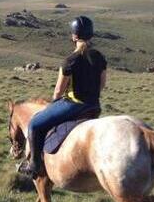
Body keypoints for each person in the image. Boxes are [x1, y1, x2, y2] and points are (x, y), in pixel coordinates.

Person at [17, 15, 107, 178]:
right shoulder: (99, 57)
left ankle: (34, 166)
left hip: (73, 105)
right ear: (91, 35)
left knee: (35, 125)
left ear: (74, 36)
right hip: (94, 105)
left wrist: (54, 103)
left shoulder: (70, 61)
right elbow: (102, 84)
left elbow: (58, 91)